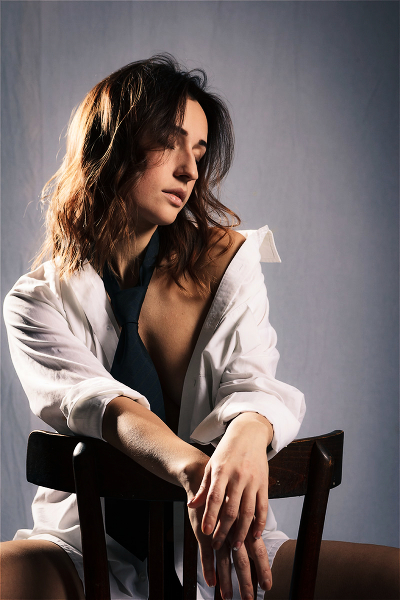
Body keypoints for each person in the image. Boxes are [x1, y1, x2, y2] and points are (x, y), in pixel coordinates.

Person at [1, 55, 398, 600]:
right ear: (110, 143)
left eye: (200, 151)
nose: (190, 170)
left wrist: (247, 434)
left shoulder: (227, 264)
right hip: (86, 551)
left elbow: (253, 380)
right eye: (171, 142)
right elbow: (102, 407)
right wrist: (194, 469)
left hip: (225, 549)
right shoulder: (36, 300)